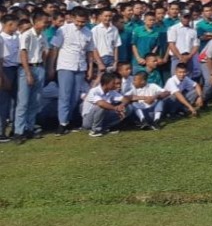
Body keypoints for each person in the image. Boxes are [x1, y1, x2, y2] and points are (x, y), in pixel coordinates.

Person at [51, 7, 99, 136]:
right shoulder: (63, 30)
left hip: (80, 66)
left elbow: (89, 52)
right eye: (78, 21)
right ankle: (62, 123)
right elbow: (55, 49)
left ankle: (69, 120)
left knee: (74, 96)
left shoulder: (88, 32)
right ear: (72, 18)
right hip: (65, 65)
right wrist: (51, 66)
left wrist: (89, 68)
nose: (80, 24)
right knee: (64, 95)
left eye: (83, 22)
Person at [14, 11, 49, 144]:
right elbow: (23, 53)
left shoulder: (43, 35)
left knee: (36, 100)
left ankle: (29, 127)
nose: (46, 24)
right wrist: (28, 73)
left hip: (39, 67)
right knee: (23, 101)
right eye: (44, 22)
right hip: (26, 68)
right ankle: (19, 131)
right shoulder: (26, 35)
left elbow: (46, 50)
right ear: (36, 21)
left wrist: (42, 66)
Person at [81, 72, 129, 137]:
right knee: (101, 107)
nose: (116, 85)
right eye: (113, 83)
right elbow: (101, 103)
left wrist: (122, 106)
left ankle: (105, 127)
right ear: (106, 83)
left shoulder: (111, 91)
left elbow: (125, 99)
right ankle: (95, 130)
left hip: (102, 117)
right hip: (88, 121)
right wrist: (116, 108)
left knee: (129, 108)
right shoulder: (94, 91)